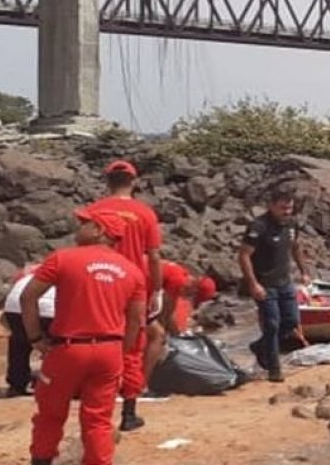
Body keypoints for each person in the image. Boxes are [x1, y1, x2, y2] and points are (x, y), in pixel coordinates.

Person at [22, 207, 147, 465]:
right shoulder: (132, 271)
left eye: (85, 223)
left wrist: (35, 338)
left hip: (67, 349)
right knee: (99, 421)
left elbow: (28, 297)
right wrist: (121, 352)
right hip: (109, 349)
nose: (79, 227)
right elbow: (136, 320)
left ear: (99, 230)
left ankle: (42, 460)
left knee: (50, 415)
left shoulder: (63, 258)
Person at [76, 159, 162, 432]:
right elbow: (155, 256)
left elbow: (79, 247)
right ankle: (129, 411)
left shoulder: (93, 211)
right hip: (132, 285)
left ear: (107, 180)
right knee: (133, 347)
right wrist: (156, 289)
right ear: (133, 181)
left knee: (95, 341)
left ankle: (95, 409)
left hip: (96, 282)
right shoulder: (144, 213)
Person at [240, 186, 311, 383]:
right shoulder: (259, 226)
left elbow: (296, 247)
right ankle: (274, 369)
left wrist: (304, 272)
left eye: (289, 208)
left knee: (291, 322)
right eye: (282, 208)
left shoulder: (291, 224)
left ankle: (259, 347)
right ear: (271, 206)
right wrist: (253, 284)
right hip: (264, 283)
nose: (286, 212)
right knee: (272, 324)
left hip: (285, 281)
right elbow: (244, 255)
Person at [144, 262, 219, 371]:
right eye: (190, 296)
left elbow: (167, 313)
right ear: (194, 290)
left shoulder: (179, 273)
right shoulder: (178, 282)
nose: (186, 297)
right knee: (157, 335)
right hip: (136, 277)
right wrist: (172, 337)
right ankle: (143, 380)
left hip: (136, 271)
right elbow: (166, 314)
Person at [1, 265, 55, 397]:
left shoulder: (32, 271)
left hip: (13, 305)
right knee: (59, 344)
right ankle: (56, 383)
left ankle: (16, 384)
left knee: (19, 342)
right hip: (46, 307)